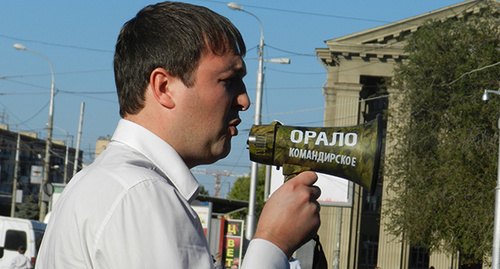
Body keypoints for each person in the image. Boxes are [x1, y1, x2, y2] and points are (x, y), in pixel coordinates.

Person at [35, 2, 321, 268]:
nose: (244, 100)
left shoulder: (108, 182)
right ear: (164, 87)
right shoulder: (142, 195)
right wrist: (273, 243)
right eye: (228, 80)